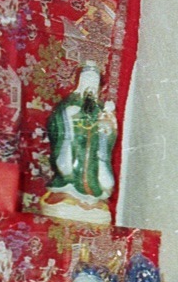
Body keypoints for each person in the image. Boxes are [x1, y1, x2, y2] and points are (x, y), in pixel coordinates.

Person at [39, 60, 119, 225]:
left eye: (94, 81)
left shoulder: (100, 108)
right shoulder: (68, 104)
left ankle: (90, 201)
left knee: (102, 179)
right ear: (79, 81)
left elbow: (108, 134)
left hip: (93, 159)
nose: (90, 84)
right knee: (71, 165)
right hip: (74, 151)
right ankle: (68, 196)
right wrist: (71, 121)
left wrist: (108, 126)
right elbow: (57, 122)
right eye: (87, 79)